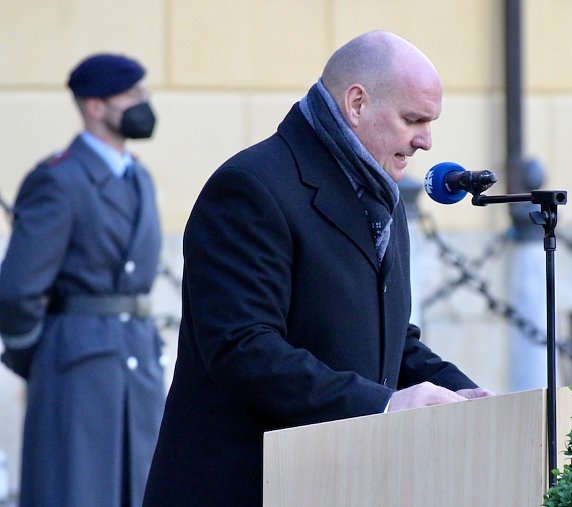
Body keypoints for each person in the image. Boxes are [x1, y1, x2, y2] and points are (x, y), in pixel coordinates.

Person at [142, 30, 492, 506]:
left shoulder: (380, 191)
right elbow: (244, 348)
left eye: (429, 123)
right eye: (413, 119)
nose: (426, 141)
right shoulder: (250, 187)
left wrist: (469, 397)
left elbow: (390, 340)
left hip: (336, 482)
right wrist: (384, 405)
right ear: (357, 103)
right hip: (247, 486)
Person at [0, 53, 165, 507]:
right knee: (78, 491)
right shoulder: (59, 180)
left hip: (138, 364)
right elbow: (16, 289)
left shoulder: (138, 177)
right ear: (94, 106)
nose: (143, 103)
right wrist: (43, 355)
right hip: (77, 367)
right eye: (131, 94)